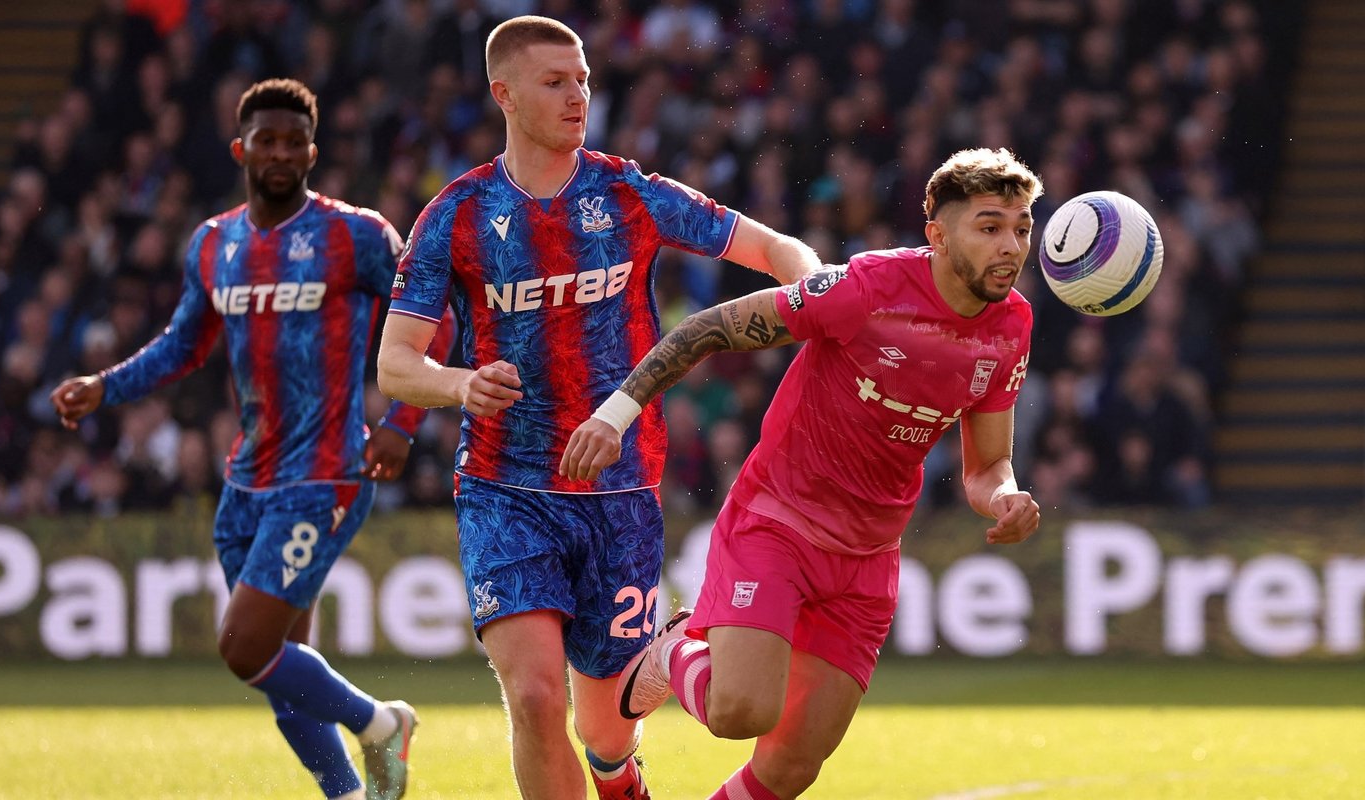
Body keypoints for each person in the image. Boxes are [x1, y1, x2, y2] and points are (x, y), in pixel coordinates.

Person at [374, 15, 819, 800]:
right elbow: (396, 363)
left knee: (605, 730)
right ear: (505, 94)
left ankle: (618, 773)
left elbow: (774, 248)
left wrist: (817, 289)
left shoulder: (627, 191)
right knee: (534, 696)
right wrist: (459, 384)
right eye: (555, 82)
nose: (578, 95)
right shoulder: (456, 214)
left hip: (620, 489)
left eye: (582, 79)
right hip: (505, 488)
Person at [561, 148, 1046, 799]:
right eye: (990, 227)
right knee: (741, 712)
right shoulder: (863, 290)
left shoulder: (1012, 324)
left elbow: (987, 465)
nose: (1011, 245)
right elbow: (710, 328)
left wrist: (1006, 497)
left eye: (1021, 227)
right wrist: (615, 415)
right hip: (779, 524)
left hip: (868, 557)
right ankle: (672, 646)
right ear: (938, 234)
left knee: (791, 766)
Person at [51, 79, 441, 800]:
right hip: (245, 482)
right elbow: (183, 345)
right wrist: (106, 385)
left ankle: (382, 723)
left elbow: (431, 318)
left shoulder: (357, 235)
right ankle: (348, 795)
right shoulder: (214, 243)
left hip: (326, 474)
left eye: (296, 142)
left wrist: (400, 422)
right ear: (242, 150)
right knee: (279, 664)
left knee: (243, 647)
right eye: (268, 141)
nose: (281, 153)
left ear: (313, 153)